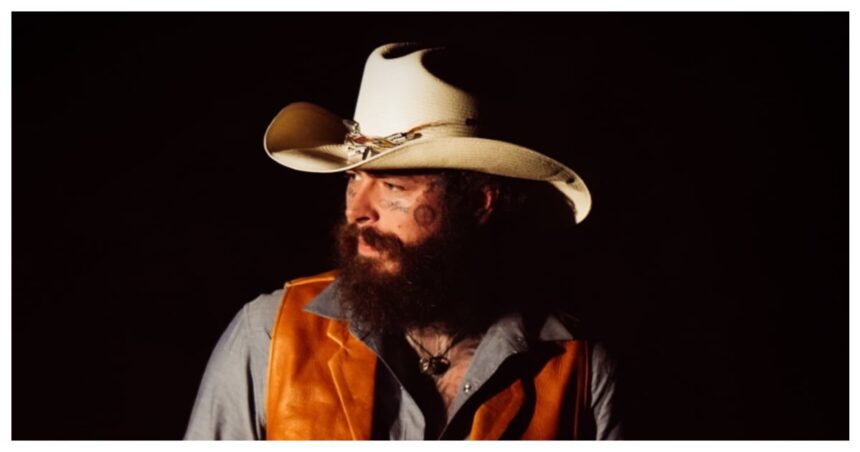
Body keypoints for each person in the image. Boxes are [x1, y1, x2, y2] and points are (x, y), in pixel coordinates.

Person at [185, 42, 622, 440]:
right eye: (353, 179)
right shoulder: (269, 336)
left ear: (479, 203)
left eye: (394, 187)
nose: (358, 210)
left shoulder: (578, 368)